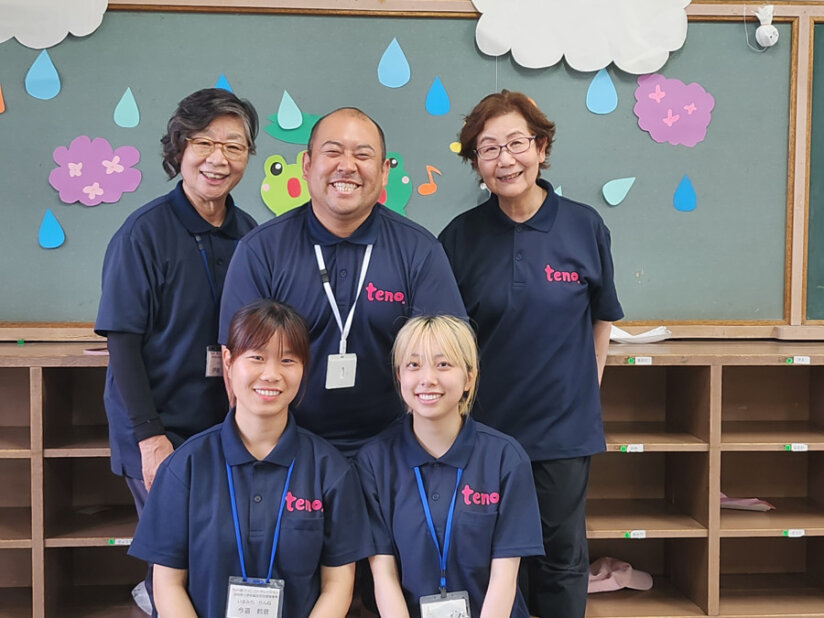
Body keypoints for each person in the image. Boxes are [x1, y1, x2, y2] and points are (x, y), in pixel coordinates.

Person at [438, 90, 624, 618]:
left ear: (541, 148)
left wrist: (586, 391)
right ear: (476, 163)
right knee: (493, 556)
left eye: (516, 143)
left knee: (562, 557)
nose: (505, 159)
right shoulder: (460, 238)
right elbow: (448, 339)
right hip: (485, 430)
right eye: (488, 148)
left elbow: (601, 316)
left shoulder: (584, 226)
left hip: (563, 429)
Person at [219, 107, 466, 456]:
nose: (347, 166)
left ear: (383, 172)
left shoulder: (419, 250)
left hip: (395, 450)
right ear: (306, 165)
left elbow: (447, 360)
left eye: (363, 155)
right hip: (287, 448)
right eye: (333, 152)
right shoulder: (261, 250)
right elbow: (240, 370)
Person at [94, 88, 259, 611]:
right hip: (158, 425)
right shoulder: (143, 233)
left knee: (216, 546)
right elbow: (122, 341)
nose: (219, 158)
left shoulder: (250, 234)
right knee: (180, 548)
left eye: (234, 146)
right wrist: (149, 439)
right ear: (179, 148)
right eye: (205, 142)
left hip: (224, 424)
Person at [128, 299, 374, 617]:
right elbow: (167, 583)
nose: (271, 374)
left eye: (288, 360)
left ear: (303, 369)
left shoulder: (331, 470)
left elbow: (339, 582)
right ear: (228, 361)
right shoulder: (185, 466)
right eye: (257, 357)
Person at [357, 316, 543, 618]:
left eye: (443, 365)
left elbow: (505, 578)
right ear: (399, 376)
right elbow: (383, 575)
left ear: (469, 377)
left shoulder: (506, 458)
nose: (427, 379)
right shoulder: (374, 461)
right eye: (413, 365)